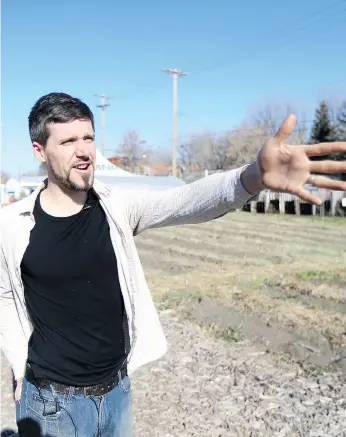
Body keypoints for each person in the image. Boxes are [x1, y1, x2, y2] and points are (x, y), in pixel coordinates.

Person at [0, 92, 345, 437]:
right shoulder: (12, 226)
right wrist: (18, 366)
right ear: (40, 151)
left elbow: (184, 201)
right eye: (68, 141)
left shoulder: (115, 207)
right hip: (51, 404)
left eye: (88, 137)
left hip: (117, 392)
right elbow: (4, 297)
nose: (84, 151)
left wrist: (253, 176)